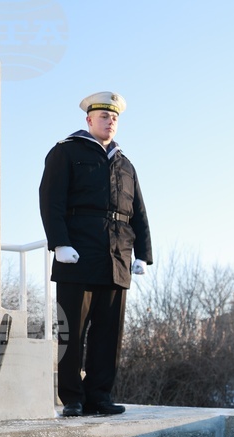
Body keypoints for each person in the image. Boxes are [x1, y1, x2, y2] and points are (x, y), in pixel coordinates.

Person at [39, 92, 152, 418]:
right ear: (89, 120)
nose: (110, 121)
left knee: (108, 334)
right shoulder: (66, 151)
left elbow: (139, 213)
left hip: (117, 258)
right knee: (71, 332)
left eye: (114, 117)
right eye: (104, 116)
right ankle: (72, 398)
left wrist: (143, 254)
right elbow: (51, 199)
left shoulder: (124, 163)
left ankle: (99, 396)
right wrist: (59, 243)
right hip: (77, 255)